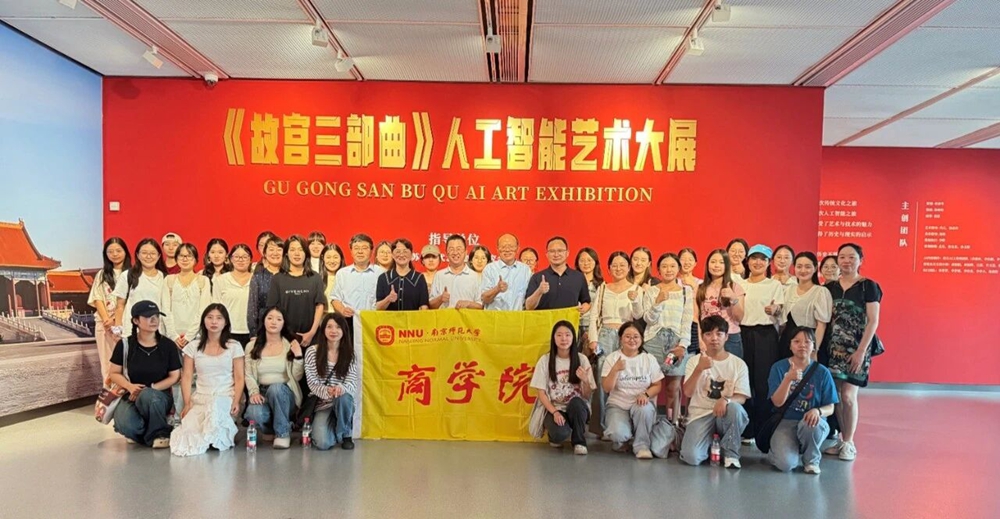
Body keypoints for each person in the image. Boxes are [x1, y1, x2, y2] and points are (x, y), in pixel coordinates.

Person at [822, 243, 882, 462]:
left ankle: (849, 442)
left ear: (860, 260)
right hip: (833, 349)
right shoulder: (829, 287)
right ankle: (842, 439)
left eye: (851, 257)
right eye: (842, 257)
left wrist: (861, 351)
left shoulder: (868, 286)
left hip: (858, 348)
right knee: (837, 395)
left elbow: (873, 321)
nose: (846, 261)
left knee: (848, 395)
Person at [170, 304, 245, 456]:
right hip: (201, 397)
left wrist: (237, 401)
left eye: (219, 318)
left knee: (215, 421)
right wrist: (187, 403)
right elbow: (186, 377)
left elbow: (239, 377)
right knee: (189, 435)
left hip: (226, 397)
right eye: (210, 317)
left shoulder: (234, 346)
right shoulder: (193, 347)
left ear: (225, 322)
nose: (214, 321)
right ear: (204, 321)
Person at [680, 316, 751, 468]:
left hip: (725, 413)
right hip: (700, 415)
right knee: (692, 457)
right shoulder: (694, 361)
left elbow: (742, 397)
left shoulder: (738, 364)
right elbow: (687, 392)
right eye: (708, 334)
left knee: (735, 409)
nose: (714, 338)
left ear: (726, 336)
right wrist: (699, 369)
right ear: (702, 337)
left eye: (719, 334)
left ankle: (731, 453)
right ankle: (710, 443)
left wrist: (726, 400)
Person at [108, 300, 181, 448]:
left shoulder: (168, 345)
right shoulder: (125, 345)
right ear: (136, 321)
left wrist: (150, 388)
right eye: (148, 317)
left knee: (150, 397)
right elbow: (114, 373)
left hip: (159, 395)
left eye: (156, 316)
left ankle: (160, 434)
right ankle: (146, 431)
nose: (154, 320)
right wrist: (129, 387)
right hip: (130, 394)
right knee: (125, 424)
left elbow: (175, 376)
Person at [767, 327, 838, 474]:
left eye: (807, 342)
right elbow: (777, 402)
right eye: (797, 341)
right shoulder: (778, 368)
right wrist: (788, 379)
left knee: (812, 424)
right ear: (790, 345)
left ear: (814, 346)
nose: (802, 345)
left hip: (811, 422)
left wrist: (818, 411)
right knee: (785, 465)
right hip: (786, 421)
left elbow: (830, 407)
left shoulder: (822, 372)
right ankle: (781, 450)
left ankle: (811, 460)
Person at [588, 251, 643, 430]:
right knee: (601, 378)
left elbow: (639, 315)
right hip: (604, 336)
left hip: (626, 337)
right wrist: (593, 339)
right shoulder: (603, 288)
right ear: (609, 268)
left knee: (624, 378)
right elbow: (594, 315)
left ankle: (623, 424)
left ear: (628, 267)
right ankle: (599, 426)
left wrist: (635, 301)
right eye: (614, 265)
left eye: (622, 265)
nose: (618, 268)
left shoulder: (636, 289)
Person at [740, 244, 786, 438]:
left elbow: (780, 310)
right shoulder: (740, 284)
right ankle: (746, 427)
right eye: (754, 258)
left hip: (765, 335)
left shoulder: (774, 285)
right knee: (744, 380)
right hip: (742, 333)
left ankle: (762, 428)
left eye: (763, 259)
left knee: (762, 382)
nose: (758, 262)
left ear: (768, 263)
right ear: (747, 261)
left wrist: (775, 310)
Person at [530, 321, 596, 455]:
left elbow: (587, 395)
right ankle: (554, 436)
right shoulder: (545, 360)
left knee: (577, 402)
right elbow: (541, 393)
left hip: (576, 408)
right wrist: (555, 412)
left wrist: (585, 380)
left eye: (567, 335)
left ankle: (579, 442)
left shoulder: (582, 359)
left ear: (573, 338)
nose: (564, 339)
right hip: (554, 407)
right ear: (553, 338)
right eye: (559, 335)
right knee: (560, 433)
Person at [243, 307, 305, 449]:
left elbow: (297, 376)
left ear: (284, 323)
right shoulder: (251, 346)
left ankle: (283, 434)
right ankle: (269, 430)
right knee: (253, 413)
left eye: (278, 319)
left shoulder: (290, 344)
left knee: (276, 389)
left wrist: (298, 356)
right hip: (262, 392)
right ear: (263, 321)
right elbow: (249, 374)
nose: (273, 322)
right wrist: (254, 392)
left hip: (284, 393)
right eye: (270, 318)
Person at [642, 253, 694, 420]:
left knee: (673, 388)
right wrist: (657, 302)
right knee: (652, 385)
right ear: (658, 270)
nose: (668, 270)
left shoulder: (686, 291)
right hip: (654, 341)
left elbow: (687, 320)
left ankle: (672, 425)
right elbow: (648, 319)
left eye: (672, 266)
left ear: (678, 269)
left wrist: (683, 345)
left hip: (675, 343)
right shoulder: (651, 291)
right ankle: (649, 423)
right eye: (664, 266)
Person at [601, 322, 663, 459]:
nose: (632, 340)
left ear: (641, 339)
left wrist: (646, 394)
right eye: (627, 336)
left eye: (636, 336)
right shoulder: (612, 358)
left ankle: (642, 445)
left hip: (641, 404)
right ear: (620, 338)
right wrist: (615, 370)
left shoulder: (649, 359)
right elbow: (606, 388)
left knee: (644, 409)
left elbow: (657, 385)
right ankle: (623, 439)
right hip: (618, 405)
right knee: (618, 434)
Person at [305, 313, 359, 450]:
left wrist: (341, 388)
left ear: (344, 330)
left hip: (342, 401)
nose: (333, 331)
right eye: (329, 327)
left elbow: (352, 381)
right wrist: (327, 390)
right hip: (323, 403)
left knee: (344, 398)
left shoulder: (350, 354)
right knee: (323, 444)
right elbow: (312, 382)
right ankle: (335, 425)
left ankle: (346, 434)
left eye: (338, 327)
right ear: (323, 329)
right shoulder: (312, 352)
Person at [266, 235, 326, 347]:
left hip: (311, 338)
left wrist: (311, 333)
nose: (297, 254)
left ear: (306, 253)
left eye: (300, 249)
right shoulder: (277, 279)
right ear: (286, 253)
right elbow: (272, 309)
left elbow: (319, 306)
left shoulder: (315, 277)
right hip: (284, 339)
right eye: (292, 250)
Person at [89, 237, 131, 381]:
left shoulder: (133, 274)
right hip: (104, 324)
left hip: (126, 323)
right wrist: (107, 319)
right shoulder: (102, 274)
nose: (115, 254)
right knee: (107, 362)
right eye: (110, 251)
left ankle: (126, 392)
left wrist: (116, 319)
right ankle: (109, 394)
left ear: (125, 252)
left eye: (118, 250)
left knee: (126, 362)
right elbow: (97, 298)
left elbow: (131, 300)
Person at [779, 252, 832, 359]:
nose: (803, 270)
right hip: (787, 343)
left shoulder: (820, 291)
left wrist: (814, 350)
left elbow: (821, 325)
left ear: (815, 268)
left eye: (807, 267)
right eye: (799, 266)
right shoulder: (788, 289)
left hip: (808, 343)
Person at [113, 238, 167, 340]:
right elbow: (120, 306)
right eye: (144, 253)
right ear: (137, 255)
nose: (148, 256)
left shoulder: (165, 278)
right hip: (132, 331)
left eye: (152, 253)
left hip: (157, 331)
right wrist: (117, 329)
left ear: (159, 256)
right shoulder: (127, 275)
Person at [160, 243, 212, 350]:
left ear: (196, 260)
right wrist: (173, 336)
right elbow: (165, 310)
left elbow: (203, 310)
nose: (185, 259)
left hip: (197, 337)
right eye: (181, 256)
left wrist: (189, 336)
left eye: (189, 256)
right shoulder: (169, 280)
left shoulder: (203, 280)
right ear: (176, 258)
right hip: (171, 337)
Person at [695, 249, 745, 358]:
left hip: (730, 337)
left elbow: (739, 318)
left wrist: (733, 298)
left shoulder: (735, 287)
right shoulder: (700, 288)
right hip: (707, 337)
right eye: (713, 262)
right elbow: (695, 317)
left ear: (727, 265)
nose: (716, 265)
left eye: (721, 262)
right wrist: (700, 339)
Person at [525, 237, 591, 314]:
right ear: (547, 254)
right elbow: (528, 307)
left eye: (560, 251)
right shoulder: (537, 277)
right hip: (544, 321)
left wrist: (584, 308)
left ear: (567, 253)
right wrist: (539, 291)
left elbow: (586, 302)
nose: (556, 254)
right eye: (552, 251)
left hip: (569, 321)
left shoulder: (578, 277)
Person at [212, 244, 254, 347]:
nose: (241, 260)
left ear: (250, 259)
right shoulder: (221, 280)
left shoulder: (256, 280)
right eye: (237, 257)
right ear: (231, 259)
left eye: (245, 257)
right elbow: (216, 308)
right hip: (228, 331)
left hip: (252, 332)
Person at [429, 234, 483, 310]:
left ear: (465, 252)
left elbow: (481, 306)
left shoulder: (475, 276)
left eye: (458, 249)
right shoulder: (439, 275)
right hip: (444, 318)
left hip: (467, 318)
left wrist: (469, 304)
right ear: (446, 253)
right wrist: (440, 299)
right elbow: (430, 306)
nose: (455, 252)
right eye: (451, 249)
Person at [376, 238, 430, 311]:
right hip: (389, 318)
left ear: (411, 255)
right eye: (398, 251)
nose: (401, 255)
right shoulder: (383, 278)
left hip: (412, 318)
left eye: (405, 251)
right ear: (392, 255)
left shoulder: (419, 278)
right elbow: (378, 307)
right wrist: (388, 299)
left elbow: (424, 306)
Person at [480, 233, 531, 311]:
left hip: (517, 317)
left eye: (511, 246)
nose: (507, 250)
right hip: (495, 317)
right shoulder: (490, 269)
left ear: (518, 249)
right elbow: (484, 299)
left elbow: (529, 300)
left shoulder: (525, 270)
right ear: (497, 249)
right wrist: (497, 289)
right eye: (503, 247)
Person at [247, 236, 283, 335]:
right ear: (265, 254)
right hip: (263, 328)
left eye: (279, 249)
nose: (275, 253)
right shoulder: (258, 277)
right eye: (271, 249)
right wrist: (253, 333)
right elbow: (252, 308)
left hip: (286, 328)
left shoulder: (290, 276)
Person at [574, 247, 603, 349]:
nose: (586, 263)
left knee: (594, 353)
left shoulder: (601, 284)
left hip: (593, 326)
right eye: (582, 260)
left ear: (595, 262)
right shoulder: (571, 282)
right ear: (577, 263)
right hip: (575, 324)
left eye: (589, 260)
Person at [678, 247, 702, 356]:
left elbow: (703, 306)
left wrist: (693, 286)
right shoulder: (673, 281)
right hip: (677, 323)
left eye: (690, 259)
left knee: (691, 357)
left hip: (694, 325)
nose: (686, 262)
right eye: (683, 259)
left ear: (695, 263)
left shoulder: (700, 283)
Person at [320, 243, 345, 312]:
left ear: (341, 259)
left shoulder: (347, 279)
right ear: (323, 259)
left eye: (335, 257)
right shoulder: (316, 279)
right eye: (328, 257)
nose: (332, 261)